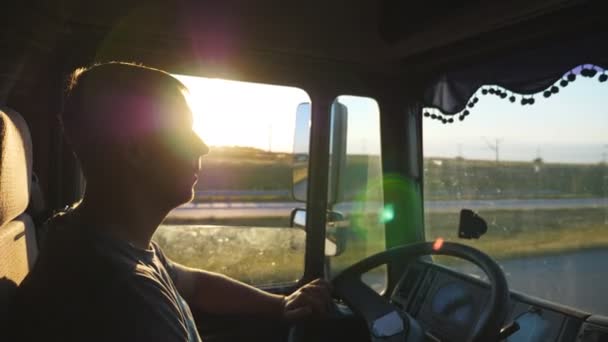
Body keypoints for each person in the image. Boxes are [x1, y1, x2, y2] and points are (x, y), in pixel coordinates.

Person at [9, 62, 332, 341]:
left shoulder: (89, 235)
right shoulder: (129, 299)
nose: (203, 146)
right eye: (182, 131)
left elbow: (191, 283)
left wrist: (279, 304)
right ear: (136, 151)